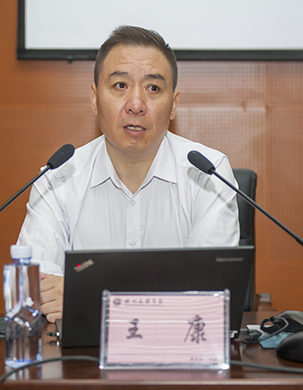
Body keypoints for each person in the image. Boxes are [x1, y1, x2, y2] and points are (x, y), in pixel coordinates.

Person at [17, 25, 240, 323]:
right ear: (95, 99)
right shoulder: (58, 177)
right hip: (82, 353)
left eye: (153, 88)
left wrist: (86, 298)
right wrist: (162, 299)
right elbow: (34, 291)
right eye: (120, 85)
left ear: (173, 105)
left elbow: (209, 298)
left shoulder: (208, 174)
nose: (136, 105)